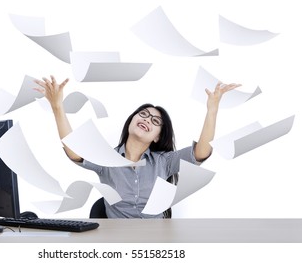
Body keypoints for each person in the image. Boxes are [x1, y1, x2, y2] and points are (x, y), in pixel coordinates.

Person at [34, 75, 241, 218]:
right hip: (116, 242)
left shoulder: (164, 162)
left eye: (155, 121)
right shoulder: (106, 159)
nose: (147, 119)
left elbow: (201, 153)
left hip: (157, 242)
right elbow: (74, 150)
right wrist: (57, 107)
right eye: (143, 114)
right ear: (131, 120)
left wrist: (212, 109)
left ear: (157, 137)